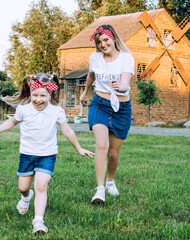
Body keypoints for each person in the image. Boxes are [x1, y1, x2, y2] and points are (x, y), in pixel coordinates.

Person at [0, 73, 94, 234]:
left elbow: (68, 131)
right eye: (35, 95)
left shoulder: (56, 111)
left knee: (41, 185)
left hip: (47, 155)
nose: (38, 99)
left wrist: (79, 148)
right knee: (23, 188)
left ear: (50, 95)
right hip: (27, 155)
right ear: (30, 94)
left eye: (43, 96)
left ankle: (38, 222)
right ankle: (26, 198)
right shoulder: (24, 109)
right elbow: (12, 122)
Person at [80, 24, 135, 204]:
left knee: (113, 154)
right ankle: (100, 190)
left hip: (121, 108)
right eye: (99, 42)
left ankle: (110, 180)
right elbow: (91, 76)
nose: (103, 44)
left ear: (113, 39)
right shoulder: (95, 58)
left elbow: (126, 82)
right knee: (101, 145)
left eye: (105, 40)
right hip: (99, 105)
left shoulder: (126, 58)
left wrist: (122, 86)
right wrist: (85, 92)